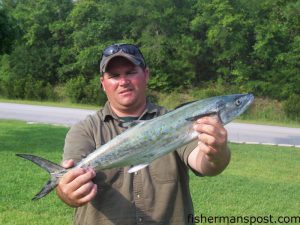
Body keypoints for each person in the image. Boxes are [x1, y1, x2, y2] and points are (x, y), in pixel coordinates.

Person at [56, 43, 230, 225]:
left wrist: (217, 152)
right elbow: (69, 182)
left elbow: (205, 163)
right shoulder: (85, 130)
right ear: (103, 84)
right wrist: (66, 190)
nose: (123, 81)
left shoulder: (175, 121)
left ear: (146, 75)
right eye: (114, 76)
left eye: (130, 72)